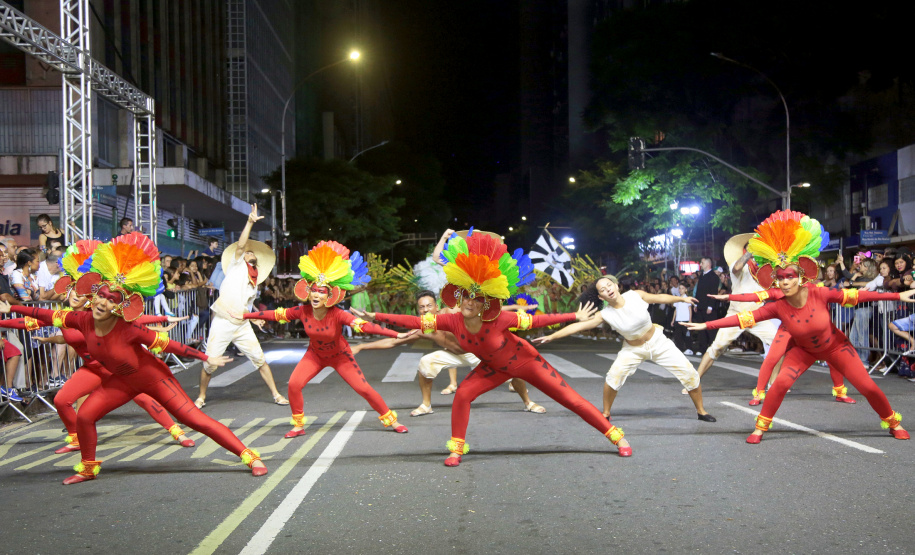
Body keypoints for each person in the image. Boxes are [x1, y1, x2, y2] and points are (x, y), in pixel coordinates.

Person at [2, 232, 268, 483]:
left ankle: (249, 456)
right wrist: (11, 307)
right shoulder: (81, 319)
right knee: (85, 416)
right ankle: (88, 467)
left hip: (152, 379)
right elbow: (44, 315)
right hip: (120, 381)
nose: (102, 302)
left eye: (110, 299)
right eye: (101, 296)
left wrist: (205, 356)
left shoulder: (128, 328)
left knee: (194, 421)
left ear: (120, 305)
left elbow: (168, 344)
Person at [356, 229, 630, 466]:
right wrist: (376, 316)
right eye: (465, 297)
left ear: (485, 303)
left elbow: (536, 320)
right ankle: (456, 449)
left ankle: (615, 436)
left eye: (476, 299)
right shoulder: (451, 320)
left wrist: (573, 316)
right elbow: (415, 320)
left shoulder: (500, 318)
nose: (469, 303)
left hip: (526, 362)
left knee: (571, 400)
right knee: (462, 395)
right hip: (493, 368)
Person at [682, 210, 915, 443]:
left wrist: (897, 297)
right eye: (781, 277)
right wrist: (707, 325)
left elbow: (857, 296)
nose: (785, 281)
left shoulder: (818, 292)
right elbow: (742, 318)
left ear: (801, 276)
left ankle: (893, 422)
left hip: (835, 347)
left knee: (868, 387)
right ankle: (760, 428)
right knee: (780, 384)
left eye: (790, 276)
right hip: (803, 350)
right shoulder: (778, 304)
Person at [0, 239, 196, 453]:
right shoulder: (65, 317)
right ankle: (76, 439)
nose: (72, 294)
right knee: (62, 400)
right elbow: (29, 322)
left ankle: (178, 431)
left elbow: (135, 321)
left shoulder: (95, 318)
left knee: (146, 399)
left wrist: (163, 319)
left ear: (88, 300)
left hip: (116, 369)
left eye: (78, 293)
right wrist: (2, 321)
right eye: (71, 291)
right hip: (92, 369)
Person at [237, 240, 414, 437]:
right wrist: (245, 315)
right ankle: (298, 425)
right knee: (294, 384)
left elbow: (365, 326)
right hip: (315, 355)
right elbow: (274, 314)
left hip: (340, 356)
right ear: (308, 291)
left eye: (321, 292)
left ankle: (393, 420)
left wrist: (396, 333)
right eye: (313, 289)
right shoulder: (302, 311)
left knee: (363, 389)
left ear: (329, 296)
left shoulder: (338, 314)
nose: (316, 294)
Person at [534, 275, 716, 422]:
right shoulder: (604, 314)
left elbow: (659, 297)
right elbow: (577, 327)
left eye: (609, 285)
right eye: (603, 290)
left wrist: (681, 299)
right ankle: (605, 413)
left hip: (658, 342)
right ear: (601, 297)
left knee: (689, 374)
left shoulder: (635, 295)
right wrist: (552, 336)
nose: (608, 290)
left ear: (616, 285)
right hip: (632, 349)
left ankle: (701, 411)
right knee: (613, 377)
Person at [352, 290, 546, 417]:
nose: (426, 309)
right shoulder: (423, 329)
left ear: (436, 306)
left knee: (510, 367)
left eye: (429, 305)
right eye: (421, 307)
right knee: (426, 363)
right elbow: (393, 341)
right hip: (454, 355)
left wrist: (516, 308)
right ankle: (426, 405)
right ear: (418, 311)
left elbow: (486, 309)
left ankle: (528, 402)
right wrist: (361, 347)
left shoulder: (452, 313)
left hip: (476, 351)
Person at [196, 204, 288, 408]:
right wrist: (249, 222)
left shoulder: (254, 280)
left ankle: (276, 394)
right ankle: (201, 397)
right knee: (210, 363)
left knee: (260, 359)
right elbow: (240, 245)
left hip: (241, 324)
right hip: (222, 321)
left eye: (250, 253)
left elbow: (247, 304)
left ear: (256, 259)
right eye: (246, 253)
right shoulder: (237, 265)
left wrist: (254, 318)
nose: (248, 253)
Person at [689, 234, 779, 398]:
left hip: (757, 314)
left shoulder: (763, 270)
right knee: (716, 348)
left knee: (780, 345)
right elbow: (737, 268)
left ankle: (773, 385)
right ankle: (693, 383)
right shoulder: (738, 265)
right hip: (736, 314)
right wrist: (748, 254)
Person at [692, 257, 720, 355]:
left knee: (711, 329)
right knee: (701, 328)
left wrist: (710, 306)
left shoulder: (714, 277)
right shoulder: (701, 276)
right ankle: (702, 348)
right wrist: (696, 303)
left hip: (709, 307)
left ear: (708, 264)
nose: (700, 264)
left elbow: (714, 292)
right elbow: (698, 291)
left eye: (702, 262)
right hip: (700, 305)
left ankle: (714, 349)